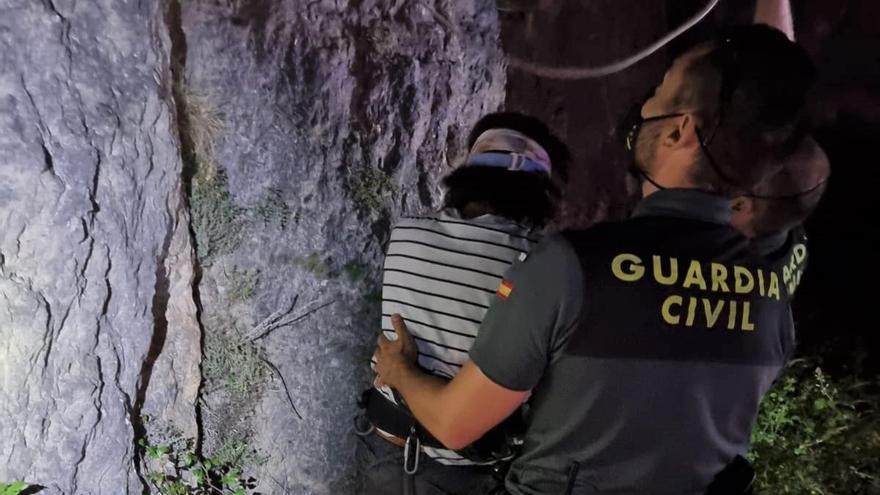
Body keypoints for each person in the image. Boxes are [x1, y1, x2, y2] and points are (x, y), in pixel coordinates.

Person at [373, 20, 818, 495]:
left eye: (660, 93)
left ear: (680, 131)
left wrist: (399, 369)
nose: (645, 106)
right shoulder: (772, 303)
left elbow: (453, 424)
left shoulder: (571, 269)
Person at [357, 112, 570, 495]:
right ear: (536, 193)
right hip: (465, 473)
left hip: (384, 450)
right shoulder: (540, 264)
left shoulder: (407, 233)